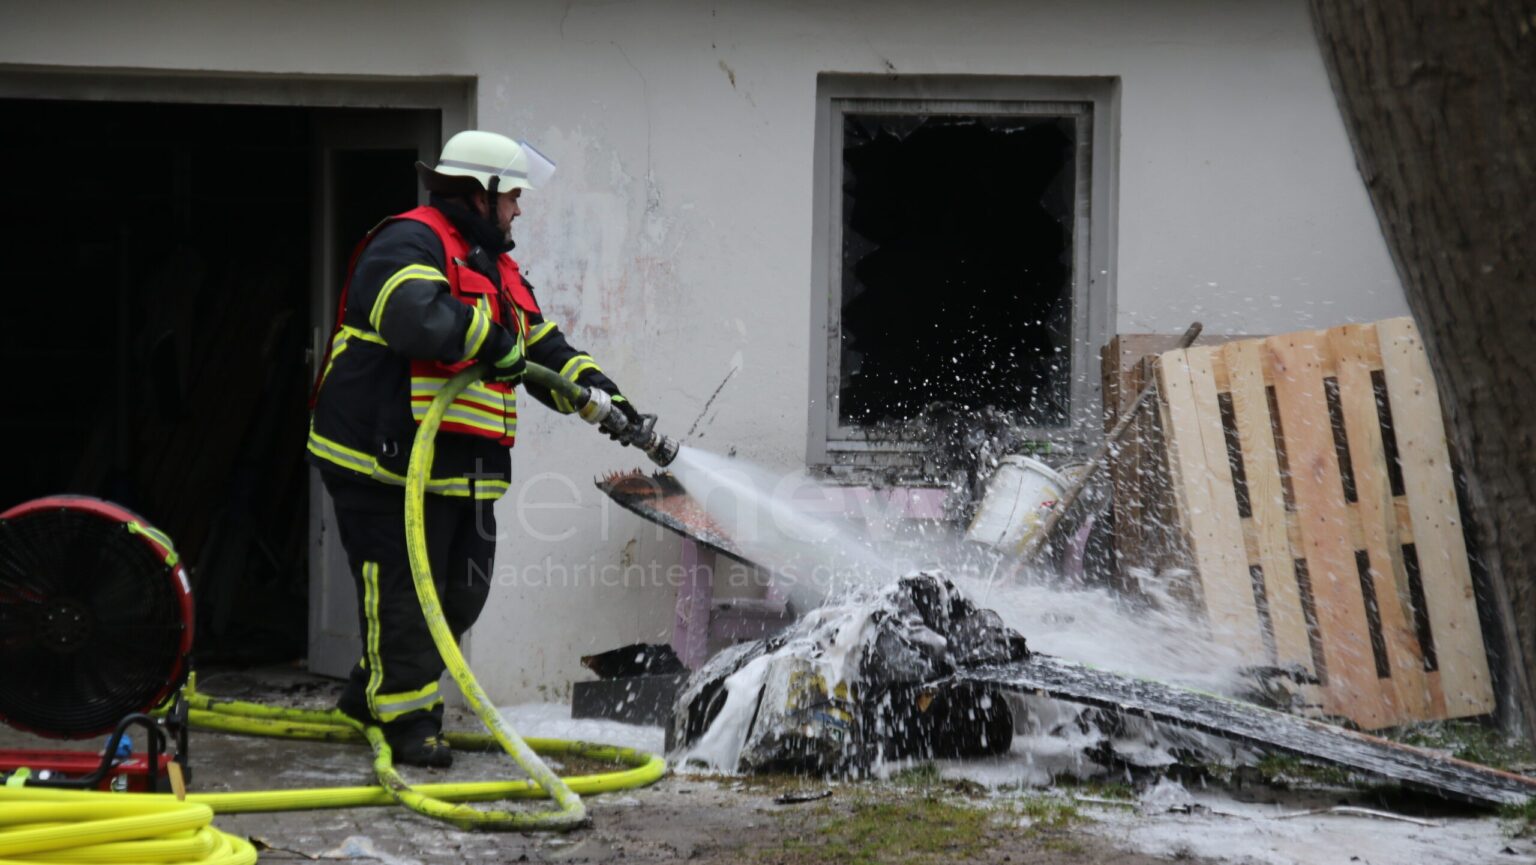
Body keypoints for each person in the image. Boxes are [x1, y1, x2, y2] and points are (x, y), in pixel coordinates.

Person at [306, 130, 644, 768]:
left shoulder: (495, 266)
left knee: (460, 595)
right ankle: (407, 722)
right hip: (387, 461)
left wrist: (600, 394)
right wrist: (492, 341)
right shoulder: (409, 240)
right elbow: (415, 317)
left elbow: (540, 347)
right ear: (481, 194)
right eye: (512, 196)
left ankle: (368, 693)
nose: (518, 209)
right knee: (406, 594)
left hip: (462, 470)